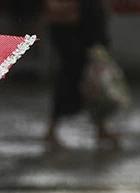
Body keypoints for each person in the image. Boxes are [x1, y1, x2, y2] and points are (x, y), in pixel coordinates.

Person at [43, 0, 117, 148]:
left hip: (85, 31)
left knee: (91, 82)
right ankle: (52, 129)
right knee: (71, 80)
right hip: (74, 35)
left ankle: (100, 127)